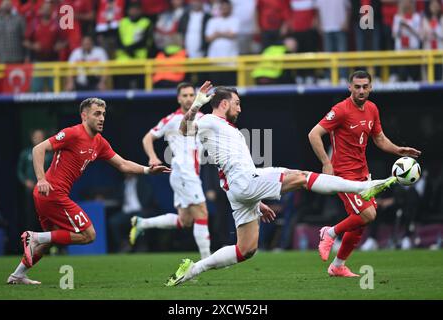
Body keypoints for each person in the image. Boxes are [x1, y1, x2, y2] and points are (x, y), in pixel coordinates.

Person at [165, 81, 397, 286]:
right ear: (224, 104)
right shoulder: (211, 121)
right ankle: (363, 187)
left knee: (246, 249)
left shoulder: (225, 129)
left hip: (239, 189)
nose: (240, 107)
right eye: (236, 102)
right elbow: (184, 130)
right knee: (302, 177)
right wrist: (196, 104)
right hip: (245, 182)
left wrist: (256, 202)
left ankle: (194, 269)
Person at [7, 98, 170, 285]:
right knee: (88, 235)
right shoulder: (73, 133)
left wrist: (148, 170)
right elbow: (38, 149)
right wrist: (41, 179)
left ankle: (18, 274)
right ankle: (34, 237)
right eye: (97, 114)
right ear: (84, 116)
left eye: (103, 114)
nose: (102, 118)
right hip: (52, 193)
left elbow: (123, 164)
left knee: (48, 241)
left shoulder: (99, 142)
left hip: (48, 196)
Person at [308, 70, 421, 277]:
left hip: (363, 173)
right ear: (349, 87)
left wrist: (399, 150)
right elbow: (314, 134)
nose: (361, 90)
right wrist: (326, 162)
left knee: (360, 223)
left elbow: (379, 139)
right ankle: (330, 232)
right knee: (368, 214)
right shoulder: (340, 110)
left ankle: (337, 266)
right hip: (343, 174)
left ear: (371, 87)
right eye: (357, 86)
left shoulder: (372, 109)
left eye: (365, 86)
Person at [130, 82, 211, 259]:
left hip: (189, 173)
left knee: (185, 221)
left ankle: (143, 223)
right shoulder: (171, 119)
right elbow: (147, 138)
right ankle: (207, 261)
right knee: (202, 213)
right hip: (184, 171)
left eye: (191, 95)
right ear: (178, 98)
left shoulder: (203, 118)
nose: (189, 98)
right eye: (185, 95)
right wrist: (152, 157)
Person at [17, 129, 52, 232]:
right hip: (30, 190)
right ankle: (30, 240)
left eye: (40, 137)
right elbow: (19, 171)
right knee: (30, 215)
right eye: (36, 137)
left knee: (47, 215)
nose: (38, 139)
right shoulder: (26, 153)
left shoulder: (49, 155)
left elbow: (53, 170)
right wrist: (25, 181)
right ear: (32, 138)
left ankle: (50, 243)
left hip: (45, 190)